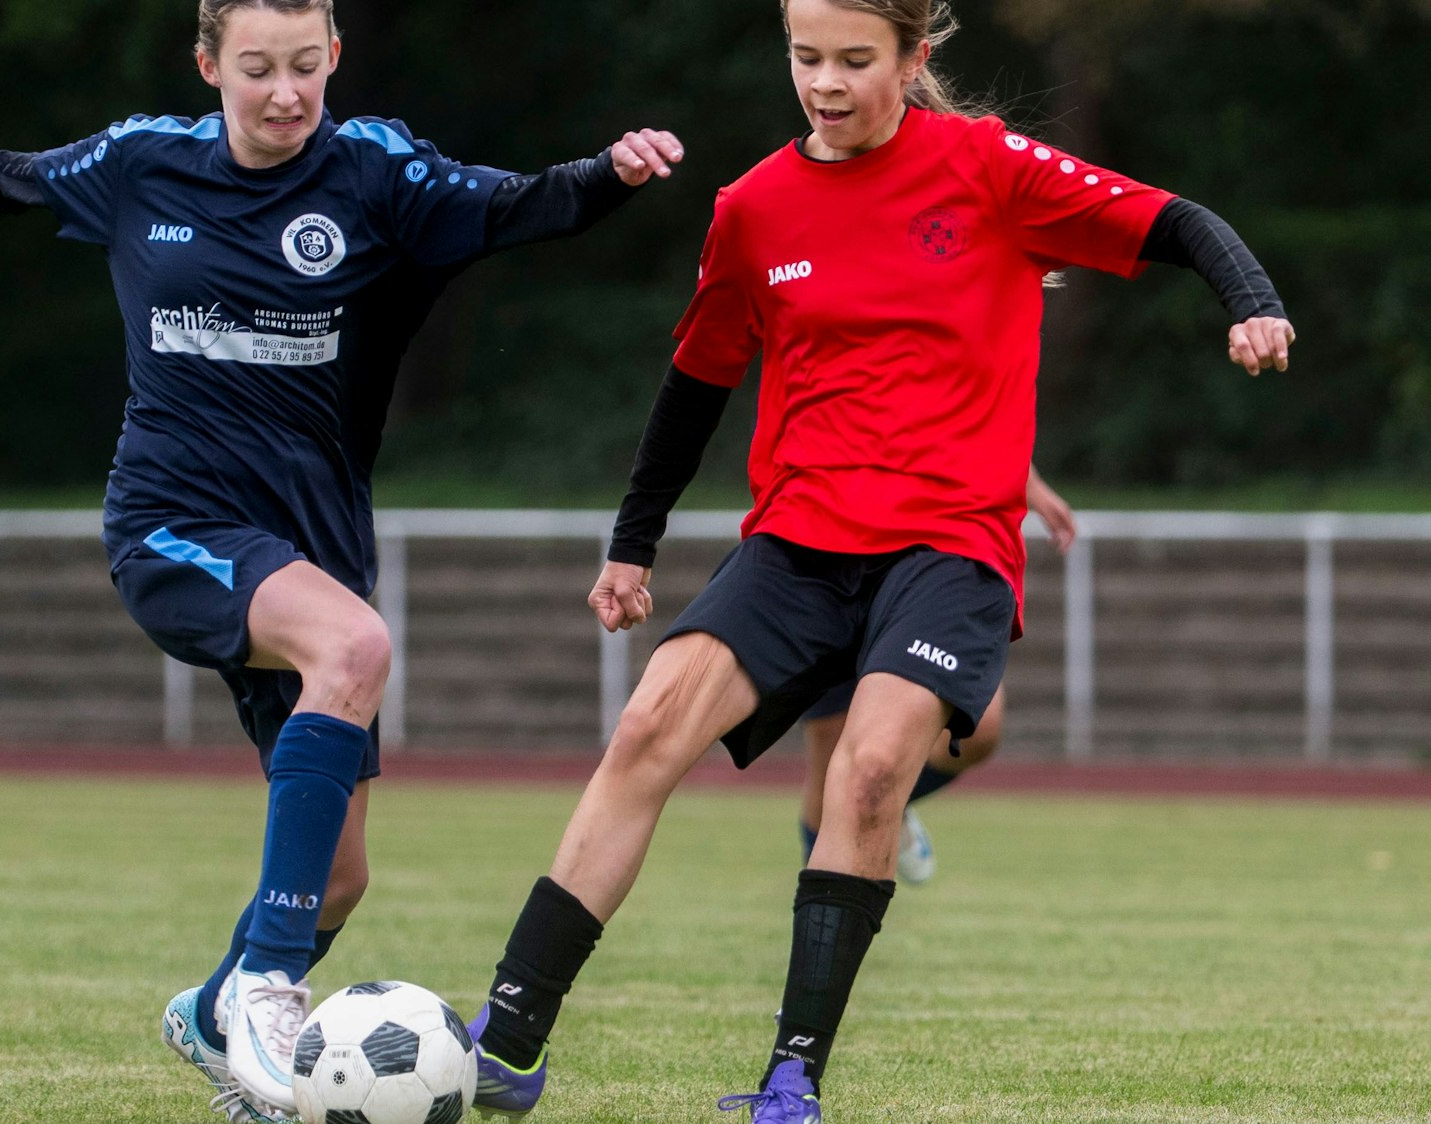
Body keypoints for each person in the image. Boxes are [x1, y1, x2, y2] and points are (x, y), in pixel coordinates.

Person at [0, 0, 681, 1117]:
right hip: (171, 520)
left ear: (335, 55)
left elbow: (515, 205)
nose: (285, 93)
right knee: (353, 646)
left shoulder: (376, 172)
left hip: (315, 544)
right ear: (207, 67)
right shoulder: (141, 163)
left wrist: (608, 174)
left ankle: (213, 1010)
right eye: (256, 69)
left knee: (340, 875)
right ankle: (269, 989)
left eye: (304, 66)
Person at [464, 0, 1294, 1119]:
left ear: (914, 59)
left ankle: (790, 1079)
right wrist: (632, 543)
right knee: (649, 723)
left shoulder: (988, 166)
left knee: (867, 773)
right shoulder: (752, 208)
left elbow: (1178, 220)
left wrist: (1252, 304)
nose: (826, 83)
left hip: (950, 545)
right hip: (798, 540)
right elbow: (696, 383)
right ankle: (506, 1041)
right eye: (806, 57)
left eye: (855, 60)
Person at [795, 465, 1078, 885]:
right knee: (831, 766)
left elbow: (990, 419)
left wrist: (1028, 480)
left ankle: (888, 794)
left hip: (934, 538)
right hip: (833, 533)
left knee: (978, 727)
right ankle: (821, 918)